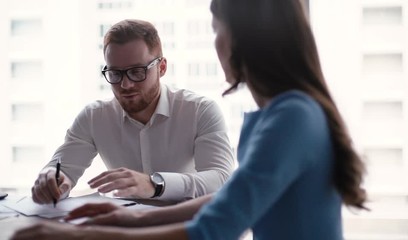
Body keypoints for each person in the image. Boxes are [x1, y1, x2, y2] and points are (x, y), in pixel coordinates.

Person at [11, 0, 367, 239]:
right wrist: (129, 217)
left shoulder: (291, 118)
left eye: (216, 30)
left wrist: (81, 235)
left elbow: (216, 226)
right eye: (116, 74)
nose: (126, 85)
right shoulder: (285, 113)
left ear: (246, 40)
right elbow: (229, 198)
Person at [30, 19, 235, 203]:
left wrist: (155, 184)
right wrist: (51, 181)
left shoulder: (200, 110)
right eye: (115, 73)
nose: (126, 84)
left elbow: (221, 179)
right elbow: (61, 169)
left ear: (161, 68)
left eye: (137, 71)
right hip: (124, 229)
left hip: (184, 229)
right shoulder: (94, 117)